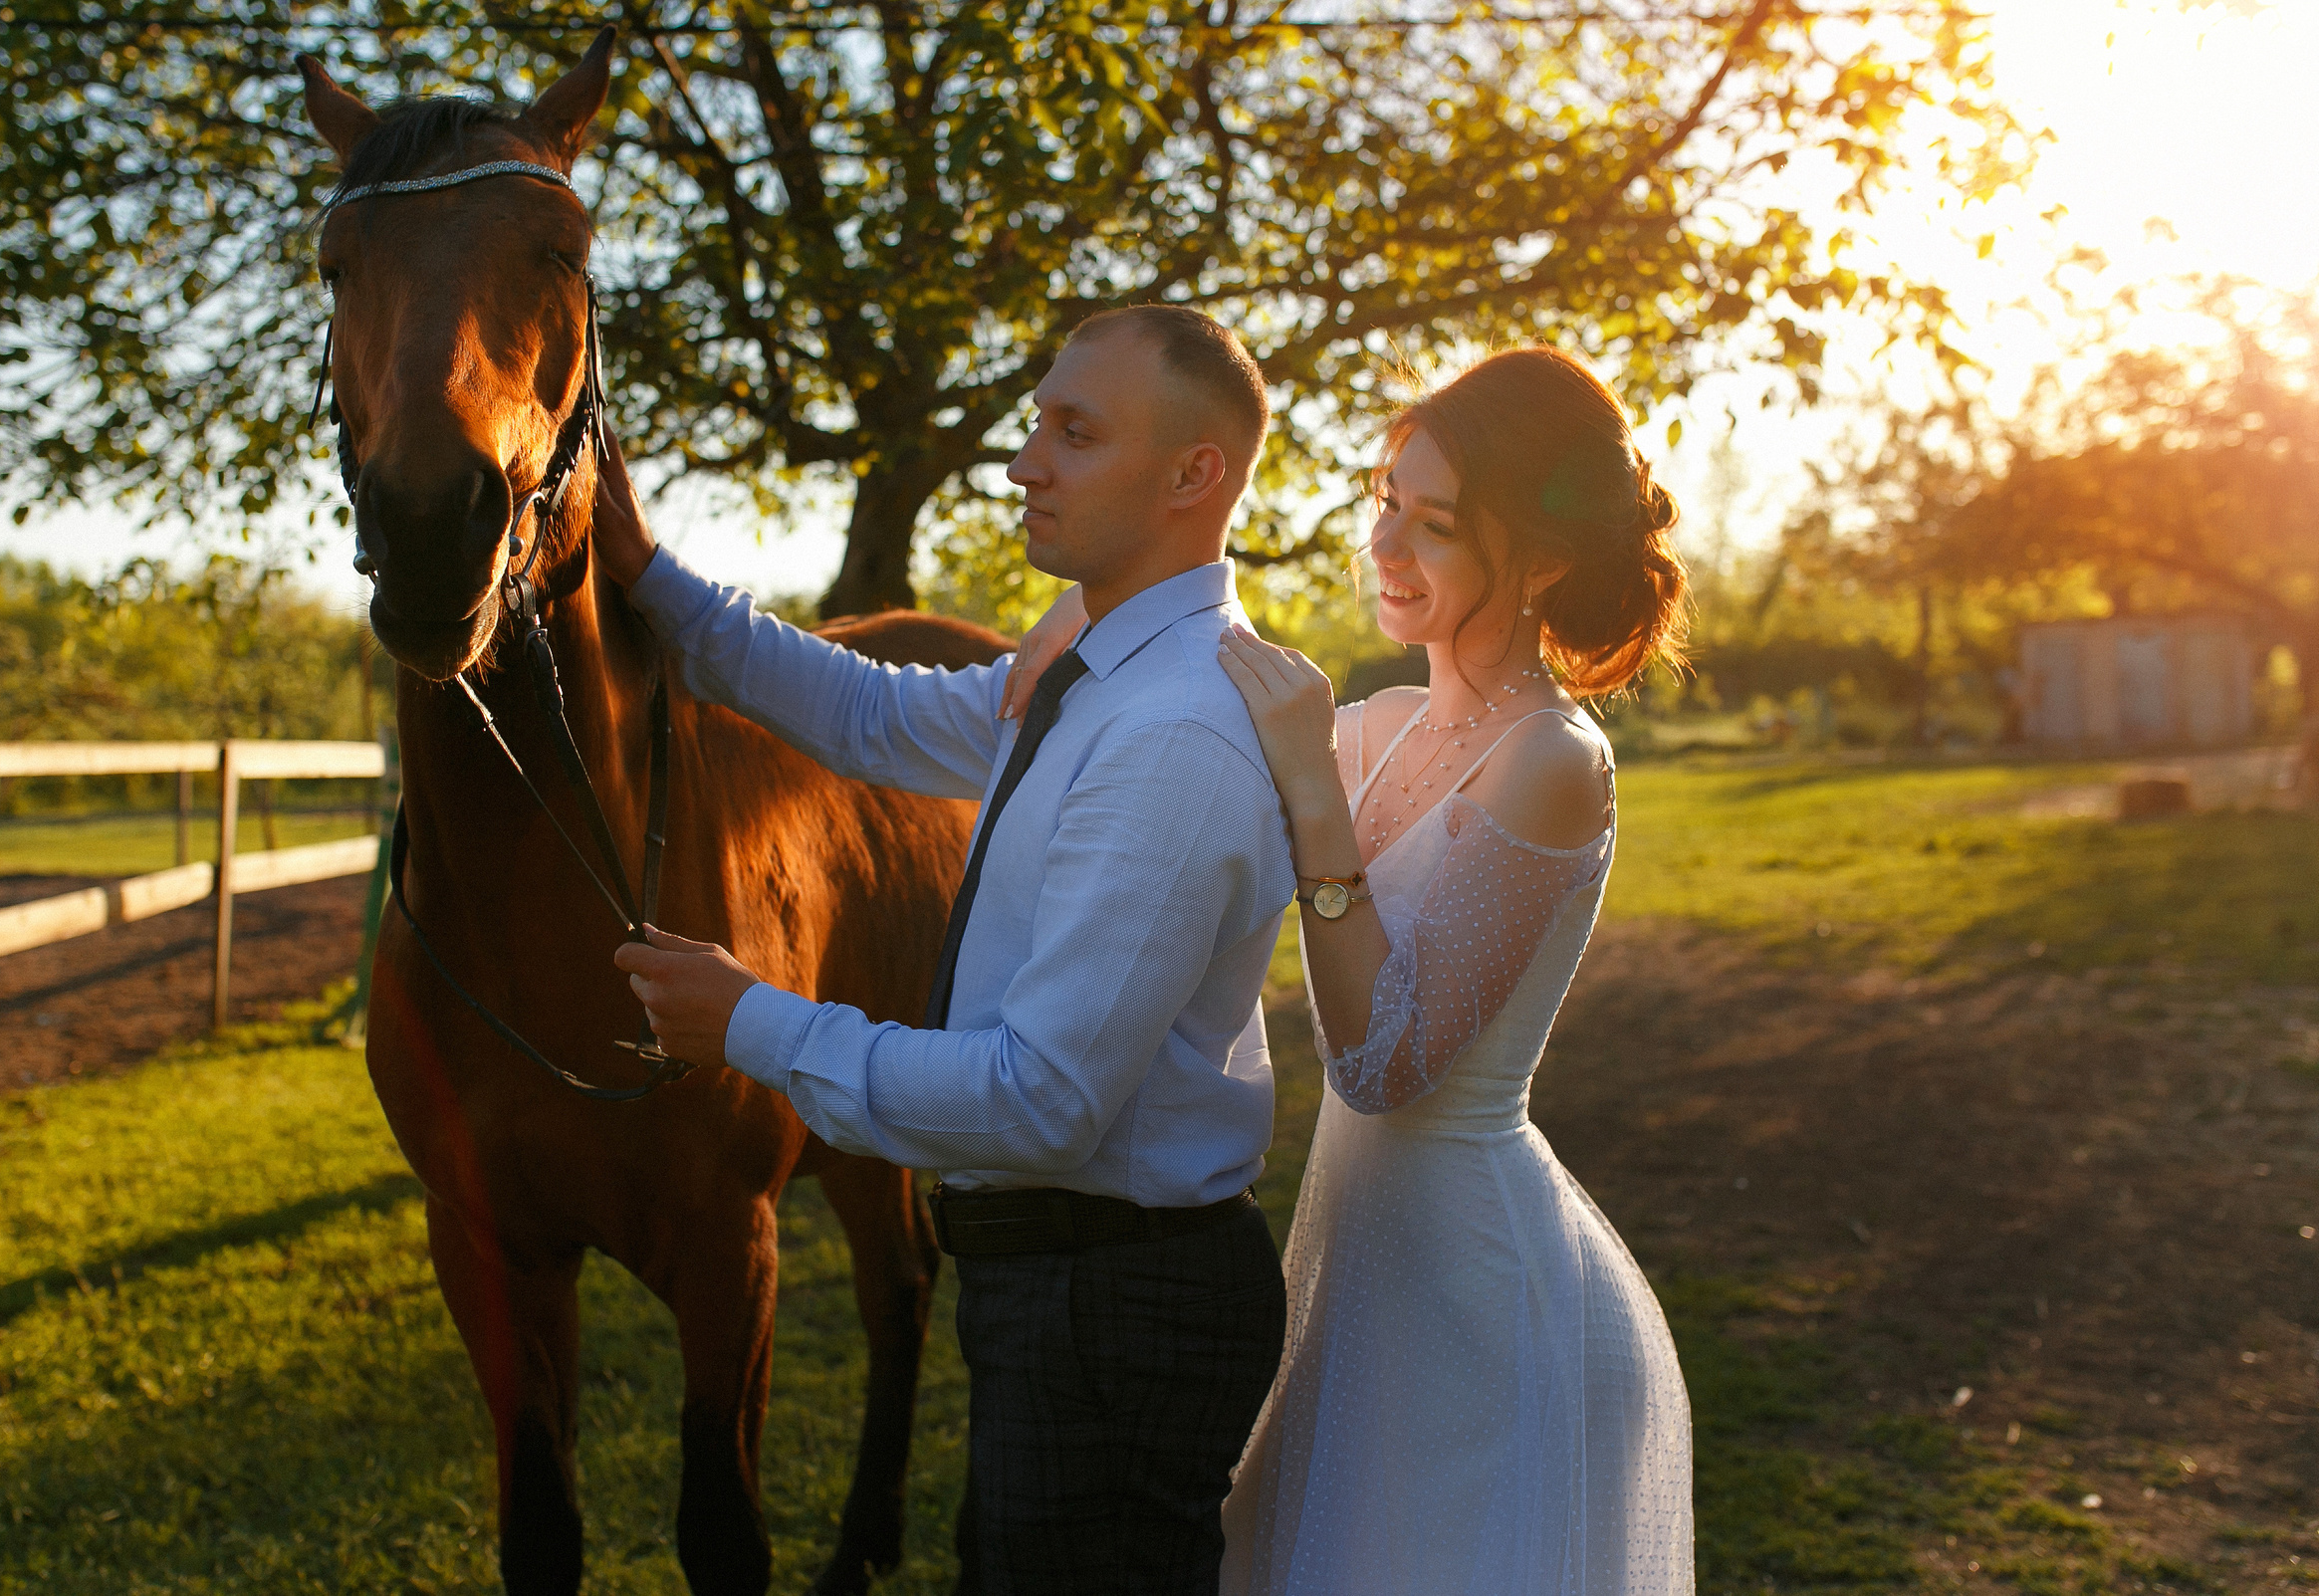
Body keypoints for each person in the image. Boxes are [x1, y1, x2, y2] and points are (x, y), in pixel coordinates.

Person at [600, 305, 1297, 1595]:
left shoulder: (1171, 732)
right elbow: (869, 713)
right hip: (1063, 1283)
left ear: (1195, 474)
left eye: (1073, 431)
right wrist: (647, 574)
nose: (1024, 460)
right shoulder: (1090, 667)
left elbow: (1039, 1099)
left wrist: (747, 1019)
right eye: (1037, 420)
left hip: (1114, 1299)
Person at [1177, 345, 1695, 1590]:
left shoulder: (1550, 762)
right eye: (1385, 502)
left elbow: (1381, 1063)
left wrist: (1313, 796)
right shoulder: (1368, 728)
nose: (1387, 546)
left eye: (1437, 522)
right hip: (1361, 1266)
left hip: (1477, 1305)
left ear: (1549, 558)